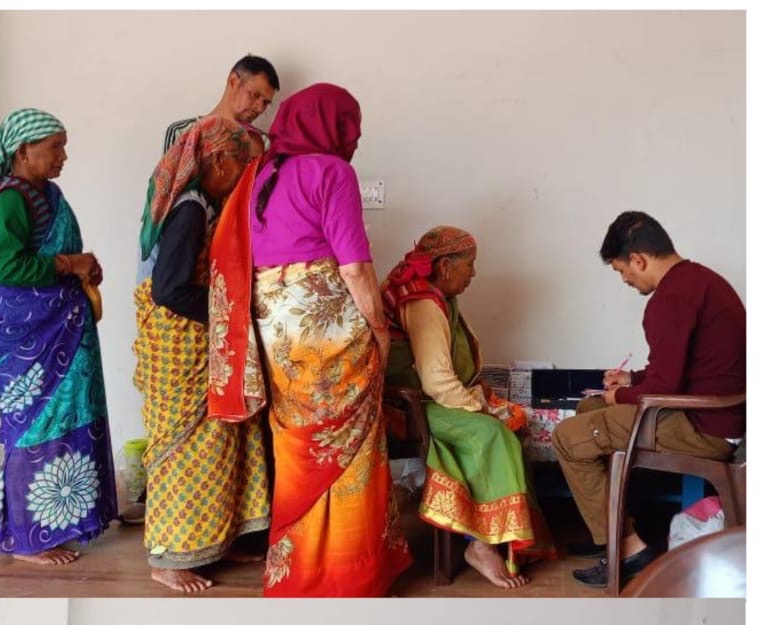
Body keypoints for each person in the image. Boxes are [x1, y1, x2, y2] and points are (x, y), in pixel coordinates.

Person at [216, 82, 411, 596]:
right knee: (352, 447)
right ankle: (351, 572)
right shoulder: (332, 171)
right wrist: (380, 328)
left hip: (277, 333)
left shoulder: (259, 174)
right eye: (351, 129)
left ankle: (298, 570)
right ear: (332, 127)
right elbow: (355, 269)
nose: (355, 140)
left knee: (298, 442)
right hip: (330, 332)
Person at [554, 212, 746, 586]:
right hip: (717, 415)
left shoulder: (671, 298)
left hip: (703, 427)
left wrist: (620, 395)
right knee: (588, 409)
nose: (625, 280)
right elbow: (680, 368)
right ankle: (608, 528)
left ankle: (628, 549)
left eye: (621, 271)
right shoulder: (698, 281)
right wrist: (631, 380)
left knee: (568, 437)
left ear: (638, 260)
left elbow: (666, 385)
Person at [0, 108, 118, 565]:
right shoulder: (10, 201)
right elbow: (5, 269)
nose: (63, 156)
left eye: (64, 147)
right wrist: (69, 265)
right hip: (31, 340)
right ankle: (27, 538)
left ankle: (69, 520)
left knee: (73, 412)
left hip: (63, 331)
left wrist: (83, 268)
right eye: (55, 147)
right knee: (35, 425)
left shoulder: (48, 195)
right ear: (23, 151)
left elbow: (54, 254)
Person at [134, 116, 270, 593]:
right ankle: (167, 558)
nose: (245, 174)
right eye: (243, 164)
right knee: (181, 451)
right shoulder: (190, 210)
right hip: (179, 344)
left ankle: (217, 540)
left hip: (198, 338)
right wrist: (230, 312)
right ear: (218, 159)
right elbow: (169, 290)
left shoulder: (206, 206)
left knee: (219, 441)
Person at [382, 226, 553, 588]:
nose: (473, 273)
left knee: (510, 425)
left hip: (432, 399)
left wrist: (480, 396)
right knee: (491, 433)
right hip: (409, 407)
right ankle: (480, 546)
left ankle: (503, 539)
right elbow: (437, 382)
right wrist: (481, 408)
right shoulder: (422, 301)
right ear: (445, 266)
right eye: (469, 264)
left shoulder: (438, 294)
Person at [143, 54, 279, 258]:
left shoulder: (264, 143)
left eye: (266, 103)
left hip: (235, 249)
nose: (259, 107)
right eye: (255, 95)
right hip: (182, 244)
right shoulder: (184, 132)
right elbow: (167, 194)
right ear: (233, 81)